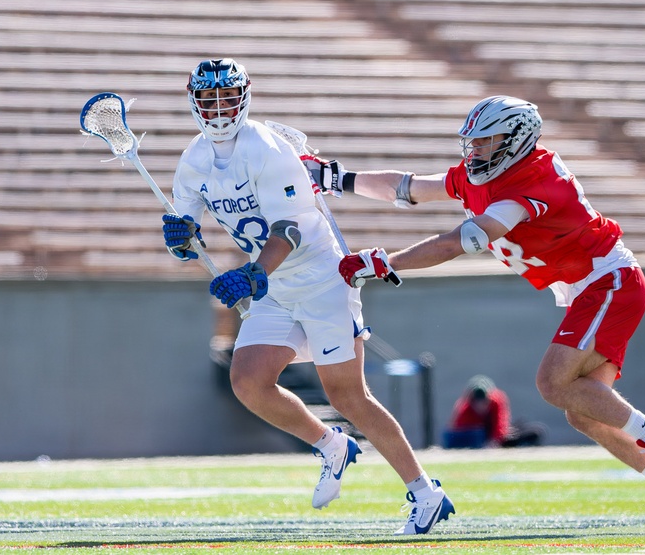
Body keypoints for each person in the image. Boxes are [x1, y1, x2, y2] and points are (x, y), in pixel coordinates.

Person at [305, 95, 645, 534]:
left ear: (515, 140)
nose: (474, 149)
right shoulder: (485, 173)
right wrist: (337, 179)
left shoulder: (531, 181)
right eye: (472, 141)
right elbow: (409, 187)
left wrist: (386, 261)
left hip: (608, 280)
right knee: (581, 408)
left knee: (553, 383)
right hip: (587, 286)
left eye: (485, 140)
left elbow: (460, 241)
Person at [161, 58, 454, 536]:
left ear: (245, 95)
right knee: (248, 381)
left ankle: (426, 492)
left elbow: (290, 229)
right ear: (194, 100)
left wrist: (253, 274)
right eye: (208, 98)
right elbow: (186, 237)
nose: (218, 108)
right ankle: (330, 443)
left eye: (226, 96)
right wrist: (177, 237)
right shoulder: (193, 159)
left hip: (320, 277)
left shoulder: (266, 148)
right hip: (273, 284)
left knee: (349, 395)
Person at [443, 374, 545, 449]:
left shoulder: (497, 401)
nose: (480, 406)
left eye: (484, 402)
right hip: (480, 441)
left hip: (498, 439)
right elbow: (454, 429)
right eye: (477, 402)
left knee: (535, 432)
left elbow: (500, 425)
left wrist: (493, 442)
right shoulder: (465, 407)